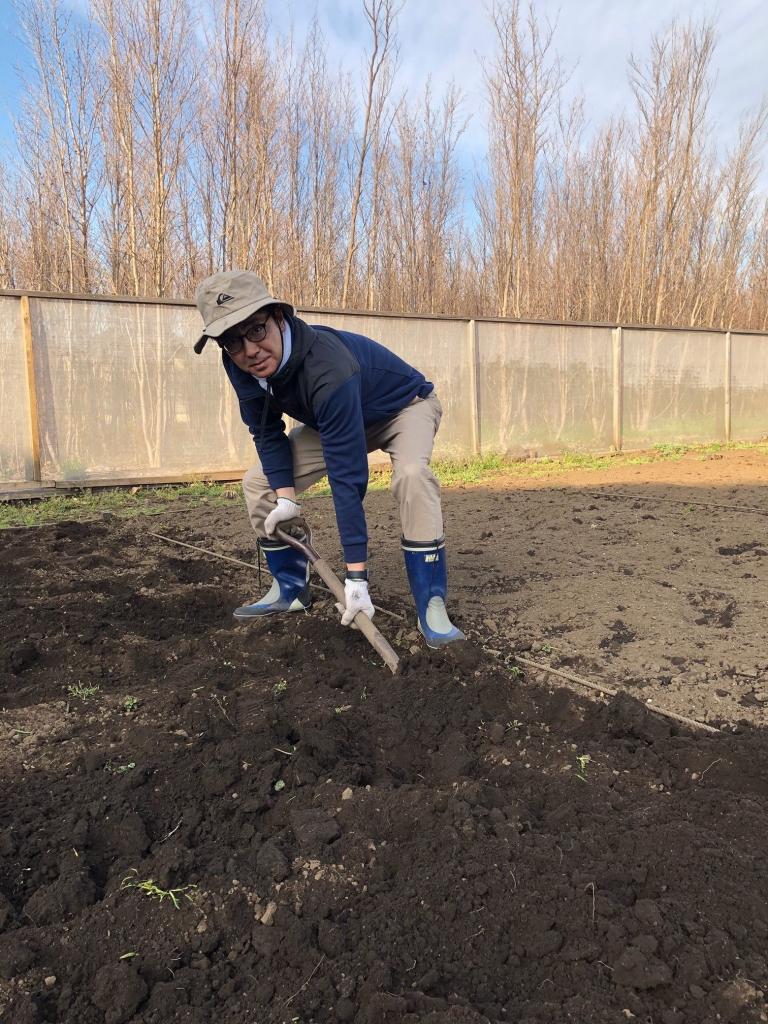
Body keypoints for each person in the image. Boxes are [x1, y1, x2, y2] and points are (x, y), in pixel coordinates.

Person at [193, 270, 464, 649]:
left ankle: (431, 604)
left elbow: (346, 476)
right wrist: (286, 499)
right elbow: (266, 432)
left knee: (412, 475)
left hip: (403, 409)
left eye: (256, 330)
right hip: (333, 420)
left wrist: (356, 579)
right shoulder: (239, 364)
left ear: (279, 318)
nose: (249, 350)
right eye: (232, 342)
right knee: (259, 483)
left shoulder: (326, 365)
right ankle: (290, 589)